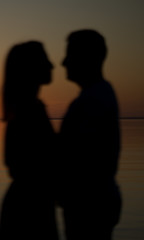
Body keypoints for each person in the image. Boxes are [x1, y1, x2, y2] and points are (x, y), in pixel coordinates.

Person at [59, 29, 122, 240]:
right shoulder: (99, 95)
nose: (63, 62)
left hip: (89, 207)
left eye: (69, 55)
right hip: (96, 203)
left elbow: (81, 158)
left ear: (86, 58)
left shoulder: (93, 101)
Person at [0, 41, 58, 240]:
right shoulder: (29, 111)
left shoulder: (28, 108)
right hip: (30, 209)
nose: (52, 66)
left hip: (28, 204)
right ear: (31, 67)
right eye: (45, 60)